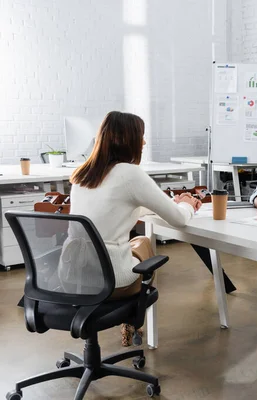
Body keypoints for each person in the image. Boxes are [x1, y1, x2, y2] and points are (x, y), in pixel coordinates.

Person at [67, 111, 201, 346]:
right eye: (141, 136)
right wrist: (187, 205)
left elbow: (108, 212)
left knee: (135, 243)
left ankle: (130, 325)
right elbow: (179, 219)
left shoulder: (82, 175)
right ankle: (133, 321)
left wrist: (142, 208)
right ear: (127, 140)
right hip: (111, 282)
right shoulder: (129, 174)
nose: (144, 142)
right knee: (145, 244)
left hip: (72, 276)